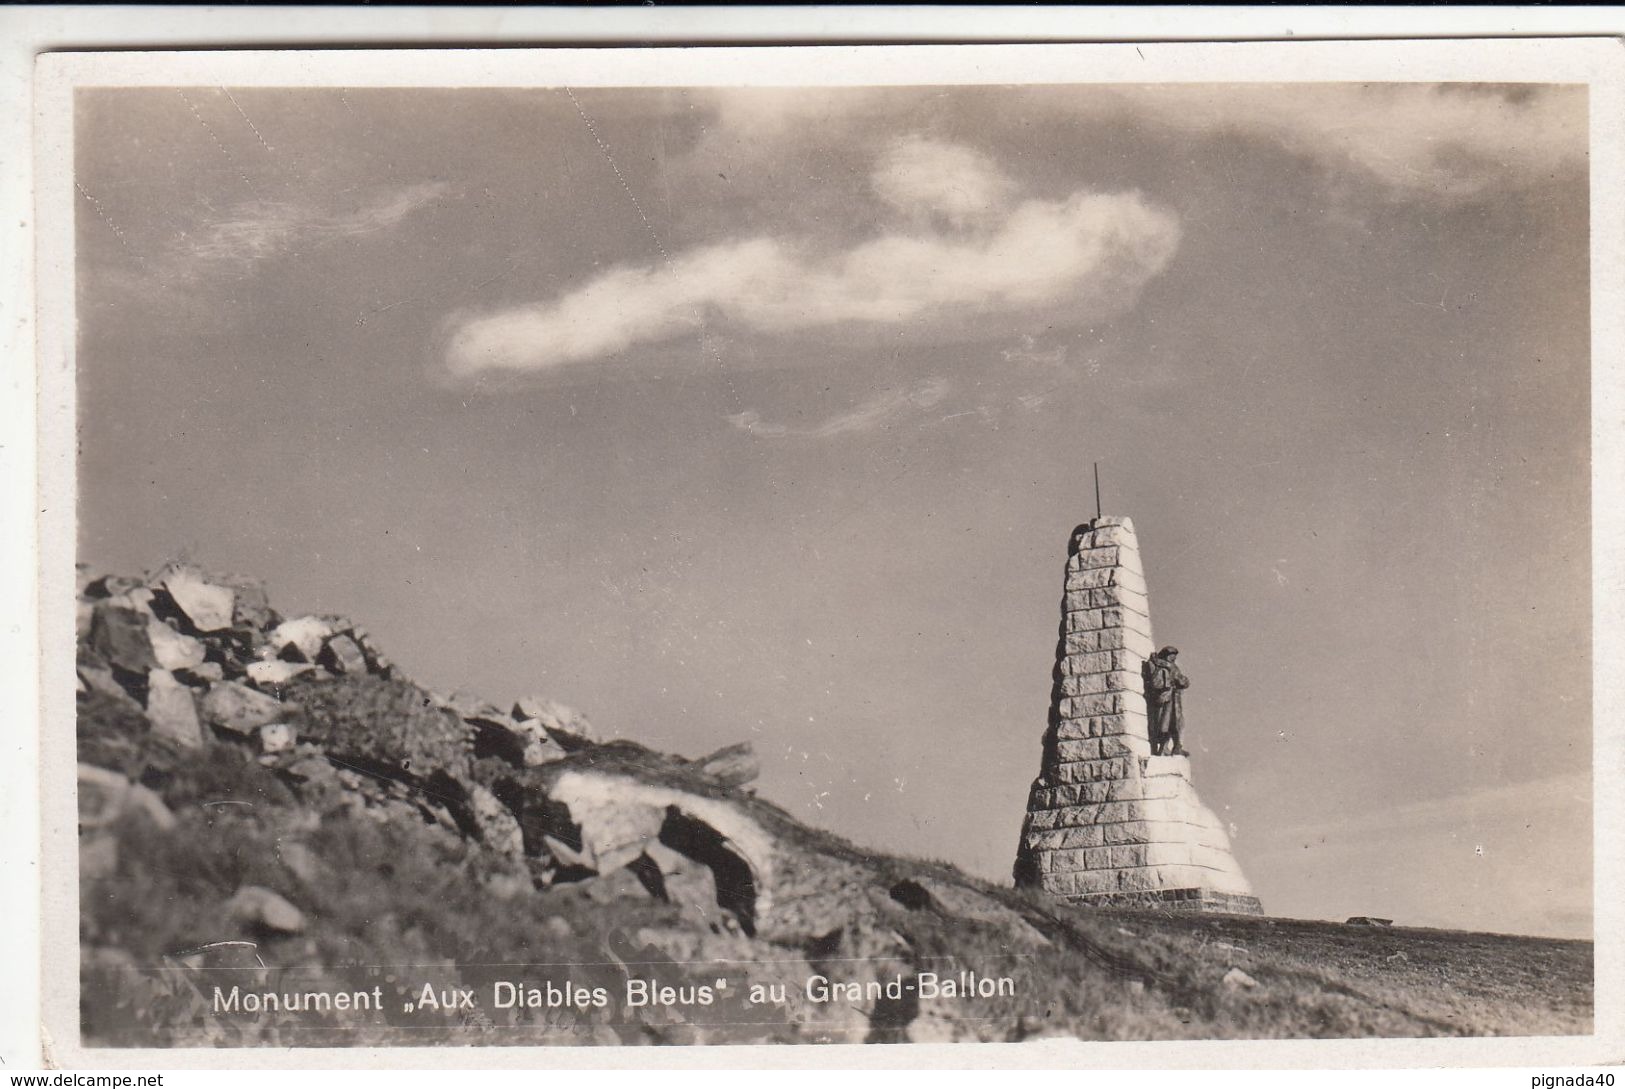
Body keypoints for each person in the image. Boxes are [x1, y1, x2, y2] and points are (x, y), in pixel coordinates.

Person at [1143, 646, 1190, 756]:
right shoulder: (1170, 667)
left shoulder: (1156, 664)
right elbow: (1183, 682)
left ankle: (1165, 748)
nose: (1174, 658)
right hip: (1170, 699)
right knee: (1172, 724)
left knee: (1166, 724)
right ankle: (1169, 748)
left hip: (1164, 699)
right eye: (1173, 655)